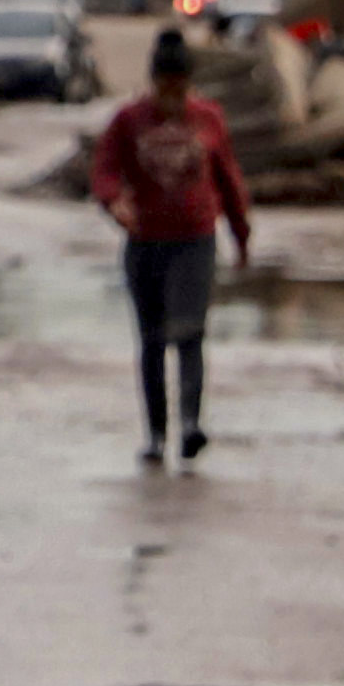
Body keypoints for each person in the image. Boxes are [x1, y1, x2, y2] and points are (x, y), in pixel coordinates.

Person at [88, 28, 251, 468]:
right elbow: (104, 170)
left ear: (189, 85)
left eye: (180, 89)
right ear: (154, 83)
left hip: (195, 242)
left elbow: (228, 179)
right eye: (166, 88)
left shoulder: (208, 119)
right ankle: (156, 435)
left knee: (190, 334)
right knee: (153, 340)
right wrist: (114, 202)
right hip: (145, 244)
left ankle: (191, 424)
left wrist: (241, 234)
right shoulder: (128, 120)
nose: (172, 98)